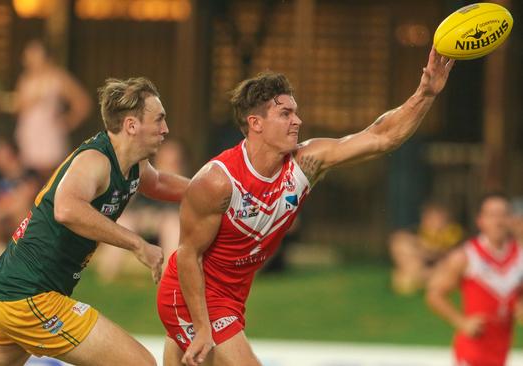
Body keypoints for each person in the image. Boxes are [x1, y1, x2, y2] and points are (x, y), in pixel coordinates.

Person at [157, 47, 454, 366]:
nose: (297, 121)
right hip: (192, 297)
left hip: (231, 300)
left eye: (295, 112)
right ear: (255, 123)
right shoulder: (218, 181)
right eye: (285, 113)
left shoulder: (306, 163)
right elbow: (188, 255)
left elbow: (381, 137)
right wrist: (202, 328)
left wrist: (425, 93)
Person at [0, 77, 189, 366]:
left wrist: (214, 190)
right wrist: (137, 244)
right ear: (132, 125)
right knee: (140, 364)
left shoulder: (133, 163)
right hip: (31, 297)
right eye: (159, 120)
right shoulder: (95, 161)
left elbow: (157, 183)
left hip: (6, 293)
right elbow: (66, 209)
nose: (165, 129)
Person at [426, 193, 522, 366]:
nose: (498, 221)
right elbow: (434, 294)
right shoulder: (467, 256)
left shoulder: (520, 256)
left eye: (503, 215)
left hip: (501, 350)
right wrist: (461, 322)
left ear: (510, 219)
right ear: (481, 220)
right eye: (492, 215)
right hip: (472, 350)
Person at [95, 139, 188, 282]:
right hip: (143, 223)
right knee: (124, 221)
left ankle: (167, 279)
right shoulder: (148, 177)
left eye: (173, 162)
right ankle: (107, 277)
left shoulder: (184, 183)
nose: (168, 165)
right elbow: (131, 206)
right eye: (165, 161)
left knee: (172, 225)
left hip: (167, 227)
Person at [14, 40, 92, 181]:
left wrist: (68, 121)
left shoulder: (57, 77)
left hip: (49, 135)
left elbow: (82, 102)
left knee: (51, 178)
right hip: (29, 133)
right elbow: (19, 107)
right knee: (30, 179)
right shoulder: (25, 79)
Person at [389, 201, 463, 295]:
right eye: (431, 219)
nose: (435, 223)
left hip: (440, 268)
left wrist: (424, 251)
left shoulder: (453, 233)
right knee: (400, 243)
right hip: (422, 268)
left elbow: (447, 253)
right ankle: (419, 280)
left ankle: (419, 280)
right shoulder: (416, 233)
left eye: (438, 219)